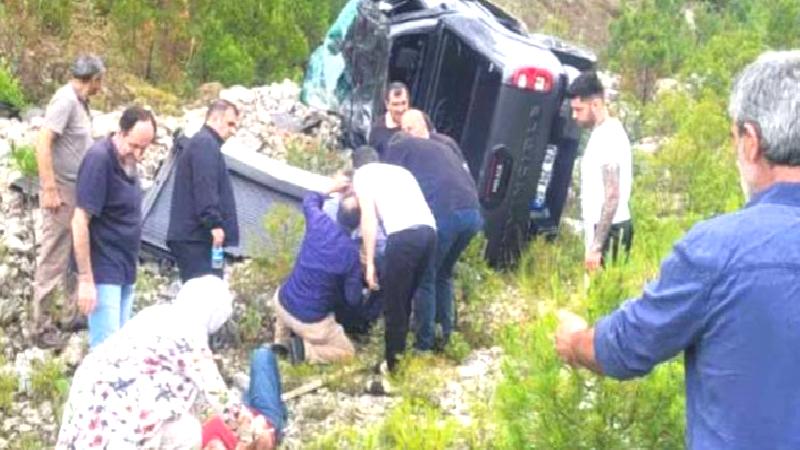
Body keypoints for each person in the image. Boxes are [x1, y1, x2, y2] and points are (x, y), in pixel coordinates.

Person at [554, 51, 800, 449]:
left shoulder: (718, 251)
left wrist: (576, 340)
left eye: (734, 137)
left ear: (751, 142)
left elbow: (626, 346)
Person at [385, 109, 482, 351]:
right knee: (443, 273)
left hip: (446, 212)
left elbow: (388, 184)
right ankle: (446, 335)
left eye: (409, 127)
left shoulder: (401, 149)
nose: (406, 132)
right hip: (472, 212)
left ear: (422, 126)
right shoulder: (445, 145)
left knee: (424, 277)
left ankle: (423, 345)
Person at [32, 54, 105, 348]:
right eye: (102, 79)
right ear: (95, 79)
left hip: (77, 191)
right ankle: (41, 327)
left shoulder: (79, 102)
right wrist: (49, 188)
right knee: (54, 256)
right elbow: (43, 141)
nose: (102, 85)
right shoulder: (65, 100)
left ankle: (72, 313)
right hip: (62, 192)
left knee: (76, 253)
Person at [71, 106, 155, 348]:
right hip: (103, 270)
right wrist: (86, 279)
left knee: (120, 349)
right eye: (134, 145)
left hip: (125, 268)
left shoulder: (127, 161)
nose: (138, 154)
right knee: (105, 350)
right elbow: (79, 220)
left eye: (145, 148)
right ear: (120, 132)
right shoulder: (100, 159)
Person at [352, 145, 436, 371]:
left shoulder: (362, 175)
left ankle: (394, 368)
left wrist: (369, 263)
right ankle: (404, 355)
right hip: (429, 233)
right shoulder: (401, 172)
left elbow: (368, 219)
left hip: (403, 236)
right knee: (407, 298)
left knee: (394, 305)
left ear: (356, 165)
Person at [272, 175, 362, 364]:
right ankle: (305, 352)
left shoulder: (319, 223)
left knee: (294, 284)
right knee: (347, 353)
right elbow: (353, 298)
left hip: (282, 303)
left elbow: (309, 200)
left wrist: (333, 187)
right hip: (311, 323)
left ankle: (280, 339)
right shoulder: (351, 254)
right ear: (359, 223)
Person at [168, 100, 240, 282]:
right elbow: (205, 185)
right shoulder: (205, 144)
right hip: (197, 238)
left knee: (201, 294)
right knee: (204, 297)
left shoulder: (203, 143)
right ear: (214, 118)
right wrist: (214, 224)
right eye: (230, 123)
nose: (233, 130)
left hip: (195, 236)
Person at [568, 71, 633, 272]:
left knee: (602, 298)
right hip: (603, 228)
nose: (574, 116)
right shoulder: (601, 133)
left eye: (579, 109)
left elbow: (612, 195)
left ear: (595, 104)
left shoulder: (609, 136)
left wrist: (596, 247)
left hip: (610, 230)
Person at [201, 347, 287, 450]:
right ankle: (281, 412)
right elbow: (263, 439)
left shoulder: (191, 441)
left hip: (238, 409)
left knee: (249, 389)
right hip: (263, 416)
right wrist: (260, 427)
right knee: (262, 355)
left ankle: (248, 389)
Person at [368, 81, 409, 157]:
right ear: (387, 105)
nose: (400, 109)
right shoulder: (378, 130)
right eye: (395, 104)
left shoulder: (419, 122)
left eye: (403, 103)